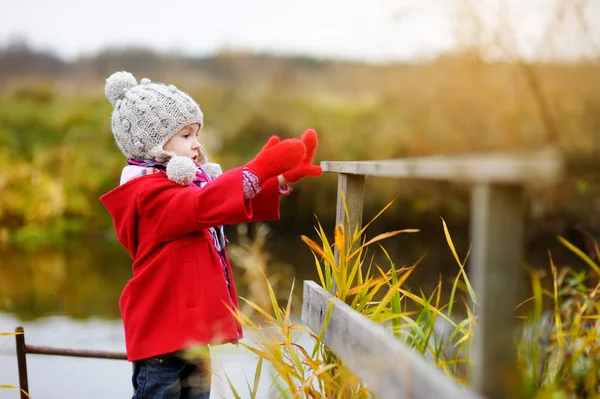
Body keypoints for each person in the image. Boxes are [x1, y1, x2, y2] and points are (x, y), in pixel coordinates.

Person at [99, 71, 322, 398]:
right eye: (186, 135)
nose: (196, 143)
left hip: (189, 330)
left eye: (196, 133)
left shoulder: (184, 184)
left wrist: (278, 180)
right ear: (154, 145)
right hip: (162, 331)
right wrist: (254, 172)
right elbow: (202, 206)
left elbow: (216, 203)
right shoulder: (145, 195)